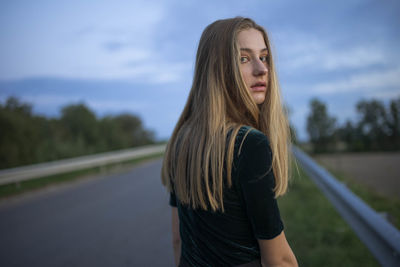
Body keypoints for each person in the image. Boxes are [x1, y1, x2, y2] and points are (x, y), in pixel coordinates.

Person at [161, 17, 298, 267]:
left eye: (264, 57)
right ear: (217, 69)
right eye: (243, 58)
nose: (262, 69)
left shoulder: (181, 138)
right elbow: (279, 260)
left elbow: (177, 240)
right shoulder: (249, 144)